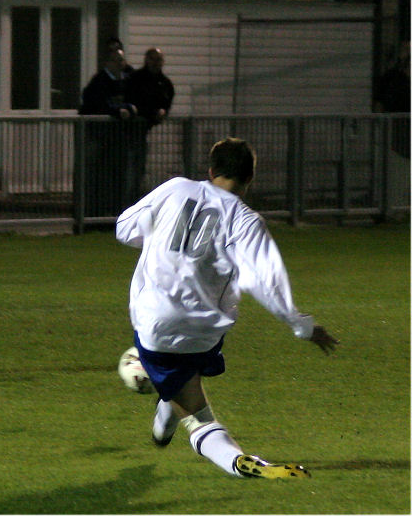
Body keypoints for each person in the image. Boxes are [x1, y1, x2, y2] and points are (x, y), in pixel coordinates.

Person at [115, 137, 338, 479]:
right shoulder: (246, 220)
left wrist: (159, 243)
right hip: (206, 331)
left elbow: (124, 228)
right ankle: (163, 423)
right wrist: (304, 327)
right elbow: (267, 283)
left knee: (198, 417)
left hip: (155, 323)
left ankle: (237, 461)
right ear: (249, 179)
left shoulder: (176, 188)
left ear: (211, 170)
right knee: (185, 372)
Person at [79, 48, 137, 218]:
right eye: (117, 60)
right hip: (99, 137)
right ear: (108, 63)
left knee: (117, 176)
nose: (121, 64)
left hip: (117, 138)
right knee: (98, 176)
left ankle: (114, 213)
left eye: (121, 60)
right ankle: (94, 214)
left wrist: (129, 109)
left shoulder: (126, 81)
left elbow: (133, 101)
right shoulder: (99, 81)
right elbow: (96, 104)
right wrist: (119, 110)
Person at [124, 47, 175, 207]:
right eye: (152, 59)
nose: (155, 63)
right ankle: (124, 206)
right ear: (146, 60)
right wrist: (152, 112)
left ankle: (132, 205)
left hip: (142, 131)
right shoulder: (136, 79)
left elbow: (166, 101)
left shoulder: (164, 83)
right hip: (129, 130)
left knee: (138, 172)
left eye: (158, 60)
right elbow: (135, 101)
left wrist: (163, 111)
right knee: (129, 172)